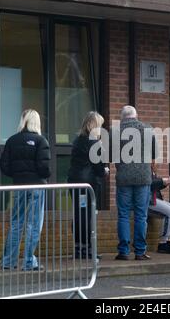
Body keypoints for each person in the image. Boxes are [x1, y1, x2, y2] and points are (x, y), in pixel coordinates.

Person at [0, 109, 51, 271]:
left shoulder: (12, 141)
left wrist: (17, 175)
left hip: (19, 185)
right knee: (34, 224)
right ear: (37, 122)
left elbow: (4, 166)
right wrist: (44, 175)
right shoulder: (41, 140)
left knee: (16, 223)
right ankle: (29, 262)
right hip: (37, 186)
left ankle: (8, 261)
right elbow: (44, 167)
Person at [114, 105, 156, 261]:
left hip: (123, 177)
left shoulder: (116, 131)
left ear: (122, 117)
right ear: (136, 116)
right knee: (141, 215)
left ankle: (123, 251)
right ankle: (140, 251)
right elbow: (154, 155)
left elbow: (112, 157)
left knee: (123, 215)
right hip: (143, 177)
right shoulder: (147, 129)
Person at [67, 111, 109, 259]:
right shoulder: (95, 143)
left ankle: (79, 248)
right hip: (88, 183)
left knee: (78, 215)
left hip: (74, 181)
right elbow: (98, 167)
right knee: (87, 216)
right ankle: (88, 250)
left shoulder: (77, 140)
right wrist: (104, 170)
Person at [148, 163, 170, 254]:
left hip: (154, 198)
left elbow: (154, 185)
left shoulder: (150, 167)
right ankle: (162, 243)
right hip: (147, 201)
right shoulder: (143, 167)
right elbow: (148, 183)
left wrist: (164, 183)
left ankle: (168, 240)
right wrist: (162, 181)